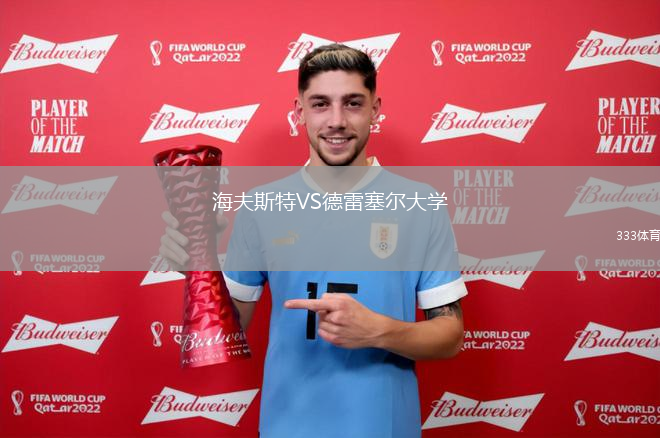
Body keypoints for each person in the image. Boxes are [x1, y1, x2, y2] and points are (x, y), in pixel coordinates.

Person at [160, 44, 467, 438]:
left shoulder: (419, 203)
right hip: (288, 426)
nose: (337, 121)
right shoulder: (262, 205)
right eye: (320, 104)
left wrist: (379, 331)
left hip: (383, 427)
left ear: (375, 109)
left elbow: (450, 336)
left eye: (353, 103)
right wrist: (199, 271)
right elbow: (229, 334)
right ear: (299, 111)